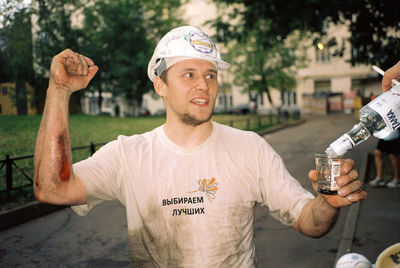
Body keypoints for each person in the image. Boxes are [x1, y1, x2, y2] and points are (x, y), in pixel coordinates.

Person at [34, 26, 367, 267]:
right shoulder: (128, 155)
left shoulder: (250, 148)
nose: (204, 85)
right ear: (160, 85)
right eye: (189, 74)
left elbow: (310, 222)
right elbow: (52, 189)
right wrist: (59, 91)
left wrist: (328, 204)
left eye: (210, 75)